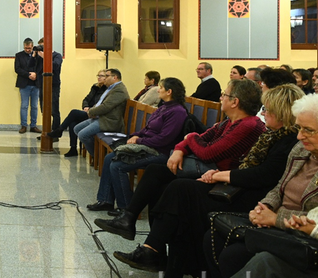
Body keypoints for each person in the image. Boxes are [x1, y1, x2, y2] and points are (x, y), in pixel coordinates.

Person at [107, 84, 302, 278]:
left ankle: (155, 256)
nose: (263, 114)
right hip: (240, 187)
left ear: (281, 113)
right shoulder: (269, 134)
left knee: (180, 193)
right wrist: (185, 147)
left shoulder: (281, 137)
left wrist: (220, 174)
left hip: (250, 198)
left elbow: (262, 175)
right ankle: (159, 263)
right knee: (174, 196)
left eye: (268, 110)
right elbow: (206, 142)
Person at [95, 78, 265, 242]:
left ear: (234, 102)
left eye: (224, 95)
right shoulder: (229, 122)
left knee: (165, 183)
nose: (221, 98)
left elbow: (207, 152)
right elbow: (201, 138)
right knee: (155, 176)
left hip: (219, 178)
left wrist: (189, 137)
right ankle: (132, 223)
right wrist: (179, 149)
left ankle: (137, 228)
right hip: (206, 168)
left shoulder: (248, 125)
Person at [200, 93, 318, 278]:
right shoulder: (300, 150)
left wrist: (275, 219)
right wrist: (265, 206)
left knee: (246, 258)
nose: (300, 135)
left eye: (308, 130)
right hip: (279, 223)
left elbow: (312, 219)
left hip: (300, 237)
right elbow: (279, 186)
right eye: (299, 128)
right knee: (213, 236)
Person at [86, 77, 188, 214]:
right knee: (109, 158)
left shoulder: (177, 112)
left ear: (169, 92)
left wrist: (139, 141)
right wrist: (135, 135)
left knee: (118, 166)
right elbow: (147, 129)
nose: (158, 90)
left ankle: (126, 208)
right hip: (147, 145)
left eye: (161, 88)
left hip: (160, 152)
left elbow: (164, 140)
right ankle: (106, 200)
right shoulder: (164, 107)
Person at [50, 70, 108, 157]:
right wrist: (85, 106)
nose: (99, 77)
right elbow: (86, 99)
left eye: (101, 76)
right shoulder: (95, 87)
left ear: (106, 78)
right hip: (88, 112)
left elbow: (101, 105)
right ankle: (73, 149)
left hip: (95, 114)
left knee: (74, 112)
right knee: (73, 123)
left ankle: (60, 130)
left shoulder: (107, 90)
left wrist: (90, 109)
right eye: (98, 75)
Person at [73, 68, 130, 157]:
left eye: (107, 76)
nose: (105, 78)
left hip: (109, 121)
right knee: (77, 128)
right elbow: (99, 103)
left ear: (115, 77)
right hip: (101, 117)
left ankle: (98, 157)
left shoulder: (119, 90)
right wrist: (92, 111)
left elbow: (105, 107)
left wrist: (90, 112)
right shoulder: (111, 88)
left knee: (83, 135)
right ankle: (98, 153)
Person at [34, 38, 63, 132]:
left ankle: (55, 132)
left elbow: (55, 66)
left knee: (54, 109)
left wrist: (45, 57)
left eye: (43, 46)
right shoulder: (39, 57)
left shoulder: (57, 55)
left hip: (53, 85)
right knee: (44, 109)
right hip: (42, 85)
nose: (41, 48)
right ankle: (46, 131)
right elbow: (31, 66)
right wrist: (34, 56)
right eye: (40, 46)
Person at [15, 37, 42, 134]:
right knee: (24, 106)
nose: (27, 50)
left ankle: (33, 126)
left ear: (32, 46)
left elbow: (41, 68)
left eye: (29, 48)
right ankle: (24, 126)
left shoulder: (38, 55)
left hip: (36, 84)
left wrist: (36, 75)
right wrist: (28, 75)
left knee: (34, 106)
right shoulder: (19, 55)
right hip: (24, 84)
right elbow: (17, 69)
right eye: (26, 48)